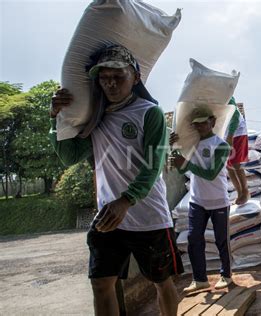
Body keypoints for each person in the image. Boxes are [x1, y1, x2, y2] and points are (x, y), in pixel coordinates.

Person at [49, 45, 183, 316]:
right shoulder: (95, 117)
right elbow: (70, 155)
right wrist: (55, 120)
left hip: (149, 219)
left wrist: (126, 200)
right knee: (101, 283)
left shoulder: (149, 113)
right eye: (104, 77)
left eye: (118, 76)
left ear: (135, 77)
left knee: (162, 281)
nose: (110, 83)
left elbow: (153, 166)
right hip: (109, 218)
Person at [169, 107, 233, 294]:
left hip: (218, 201)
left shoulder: (221, 146)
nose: (200, 127)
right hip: (197, 201)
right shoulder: (191, 145)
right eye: (196, 124)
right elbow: (182, 170)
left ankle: (226, 275)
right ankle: (199, 279)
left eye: (204, 122)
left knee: (222, 241)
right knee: (193, 239)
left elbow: (211, 174)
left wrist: (187, 164)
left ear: (212, 122)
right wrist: (174, 148)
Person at [225, 97, 250, 205]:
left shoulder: (226, 96)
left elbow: (235, 116)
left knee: (236, 163)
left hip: (237, 131)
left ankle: (245, 192)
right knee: (228, 166)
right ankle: (239, 192)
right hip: (226, 133)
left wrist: (230, 135)